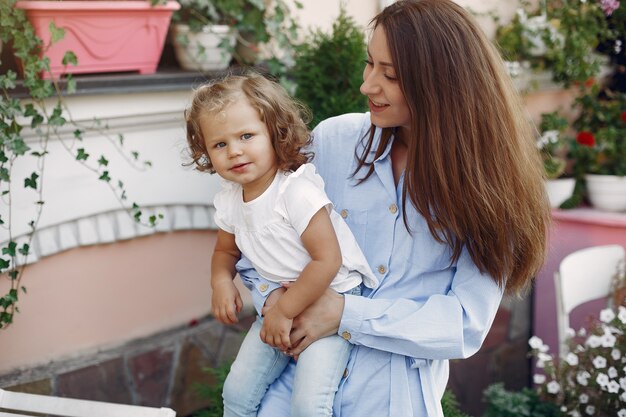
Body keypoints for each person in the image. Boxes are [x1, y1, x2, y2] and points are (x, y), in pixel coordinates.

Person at [236, 1, 552, 416]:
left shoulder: (488, 188)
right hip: (285, 395)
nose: (368, 85)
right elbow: (258, 230)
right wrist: (274, 299)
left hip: (388, 402)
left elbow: (465, 323)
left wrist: (347, 314)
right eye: (370, 65)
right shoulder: (331, 143)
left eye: (391, 75)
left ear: (443, 85)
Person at [184, 73, 378, 417]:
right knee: (237, 393)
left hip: (329, 305)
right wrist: (220, 282)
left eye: (246, 136)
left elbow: (327, 260)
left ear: (275, 133)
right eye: (219, 144)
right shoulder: (230, 200)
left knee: (308, 405)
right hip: (278, 307)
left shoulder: (296, 192)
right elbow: (225, 251)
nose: (235, 151)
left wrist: (286, 311)